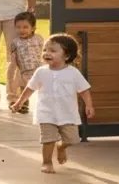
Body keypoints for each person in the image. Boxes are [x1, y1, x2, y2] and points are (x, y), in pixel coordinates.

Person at [10, 34, 95, 174]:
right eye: (45, 50)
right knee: (48, 140)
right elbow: (30, 88)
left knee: (72, 139)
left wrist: (89, 105)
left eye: (53, 51)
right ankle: (47, 162)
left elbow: (84, 90)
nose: (47, 53)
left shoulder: (73, 73)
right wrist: (20, 102)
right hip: (46, 113)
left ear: (66, 56)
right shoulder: (41, 72)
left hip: (67, 113)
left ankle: (61, 147)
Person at [8, 11, 43, 115]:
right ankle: (23, 104)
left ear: (33, 28)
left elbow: (44, 52)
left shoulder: (39, 39)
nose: (21, 30)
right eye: (18, 27)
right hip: (24, 70)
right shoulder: (15, 42)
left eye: (25, 27)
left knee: (43, 88)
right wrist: (16, 70)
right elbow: (14, 58)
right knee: (24, 88)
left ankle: (45, 106)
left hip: (38, 68)